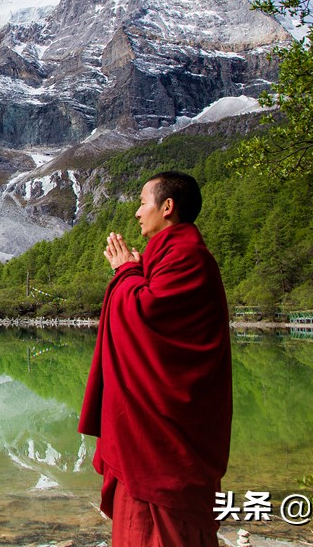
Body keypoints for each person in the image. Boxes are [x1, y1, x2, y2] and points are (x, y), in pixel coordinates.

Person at [77, 171, 232, 546]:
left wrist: (125, 271)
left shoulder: (188, 257)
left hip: (164, 439)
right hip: (153, 430)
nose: (136, 213)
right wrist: (133, 270)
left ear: (167, 207)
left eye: (143, 202)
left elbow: (146, 315)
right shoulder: (168, 256)